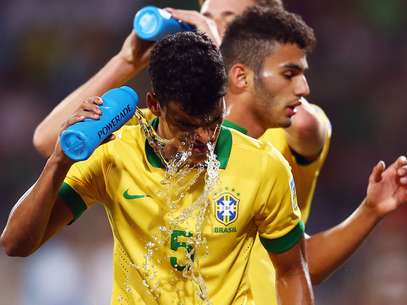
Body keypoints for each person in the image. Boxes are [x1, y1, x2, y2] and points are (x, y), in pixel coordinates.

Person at [28, 0, 407, 303]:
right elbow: (52, 141)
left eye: (227, 20)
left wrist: (220, 53)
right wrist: (126, 61)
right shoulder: (167, 129)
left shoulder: (285, 129)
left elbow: (294, 266)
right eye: (206, 15)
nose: (206, 25)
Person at [1, 31, 315, 305]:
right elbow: (16, 244)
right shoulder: (114, 152)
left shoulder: (263, 166)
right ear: (154, 105)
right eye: (187, 125)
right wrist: (59, 162)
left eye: (213, 122)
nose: (204, 138)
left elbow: (291, 272)